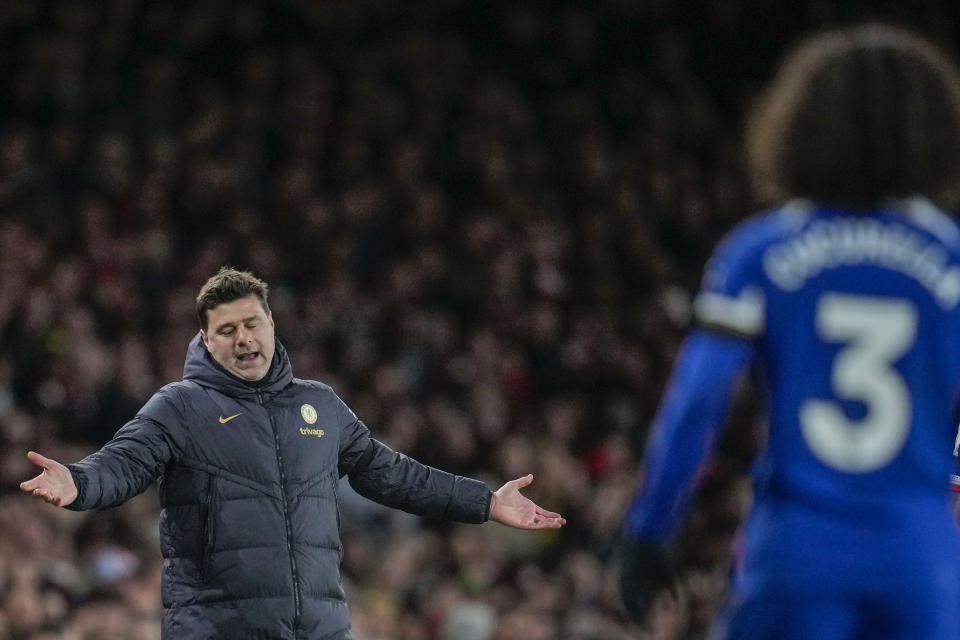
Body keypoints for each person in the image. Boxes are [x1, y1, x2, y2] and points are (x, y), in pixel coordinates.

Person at [619, 24, 960, 640]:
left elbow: (698, 402)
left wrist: (649, 528)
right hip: (920, 550)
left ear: (803, 124)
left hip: (799, 546)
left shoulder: (761, 250)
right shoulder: (952, 258)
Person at [20, 267, 565, 639]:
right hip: (219, 629)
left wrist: (486, 502)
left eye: (251, 324)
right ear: (207, 341)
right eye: (226, 330)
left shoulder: (320, 405)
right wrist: (78, 482)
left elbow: (392, 474)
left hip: (320, 629)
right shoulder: (180, 407)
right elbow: (124, 462)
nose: (243, 338)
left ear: (272, 326)